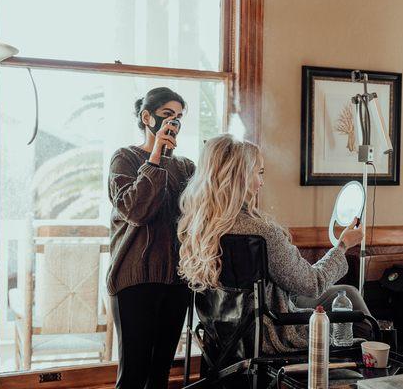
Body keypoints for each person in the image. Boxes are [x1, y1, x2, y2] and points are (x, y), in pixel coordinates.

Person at [177, 134, 369, 354]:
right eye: (259, 173)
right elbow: (313, 283)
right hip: (271, 333)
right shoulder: (262, 232)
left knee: (346, 292)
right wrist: (343, 245)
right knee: (364, 324)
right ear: (240, 176)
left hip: (225, 338)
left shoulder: (198, 226)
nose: (262, 182)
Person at [107, 87, 195, 388]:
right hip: (135, 280)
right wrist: (156, 156)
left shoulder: (185, 167)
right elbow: (135, 210)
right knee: (133, 375)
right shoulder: (125, 158)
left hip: (176, 281)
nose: (173, 123)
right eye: (167, 115)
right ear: (147, 117)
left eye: (179, 117)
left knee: (159, 376)